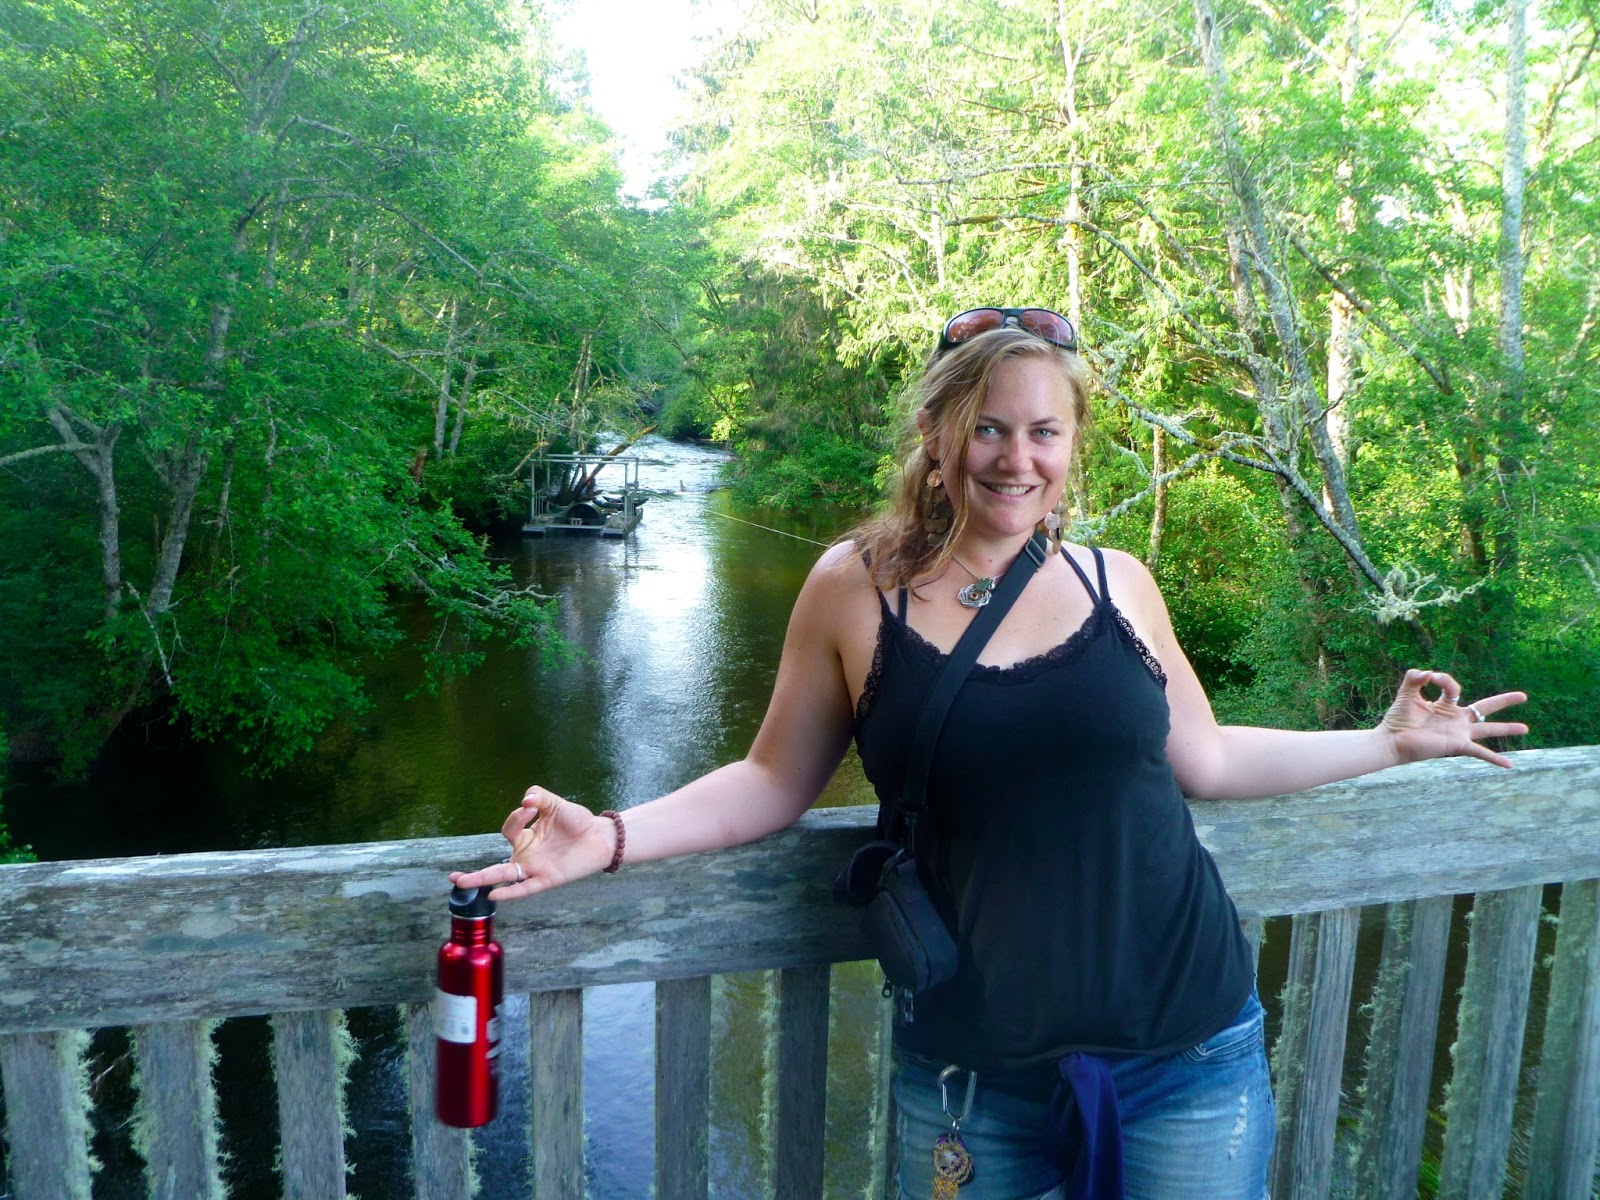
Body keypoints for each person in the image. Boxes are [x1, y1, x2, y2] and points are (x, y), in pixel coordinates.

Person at [452, 306, 1529, 1199]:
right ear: (935, 433)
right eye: (989, 429)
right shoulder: (854, 589)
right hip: (971, 1072)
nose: (1018, 459)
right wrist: (611, 837)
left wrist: (1386, 744)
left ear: (1072, 444)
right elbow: (771, 780)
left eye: (1045, 432)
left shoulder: (1120, 583)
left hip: (1189, 1051)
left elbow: (1205, 760)